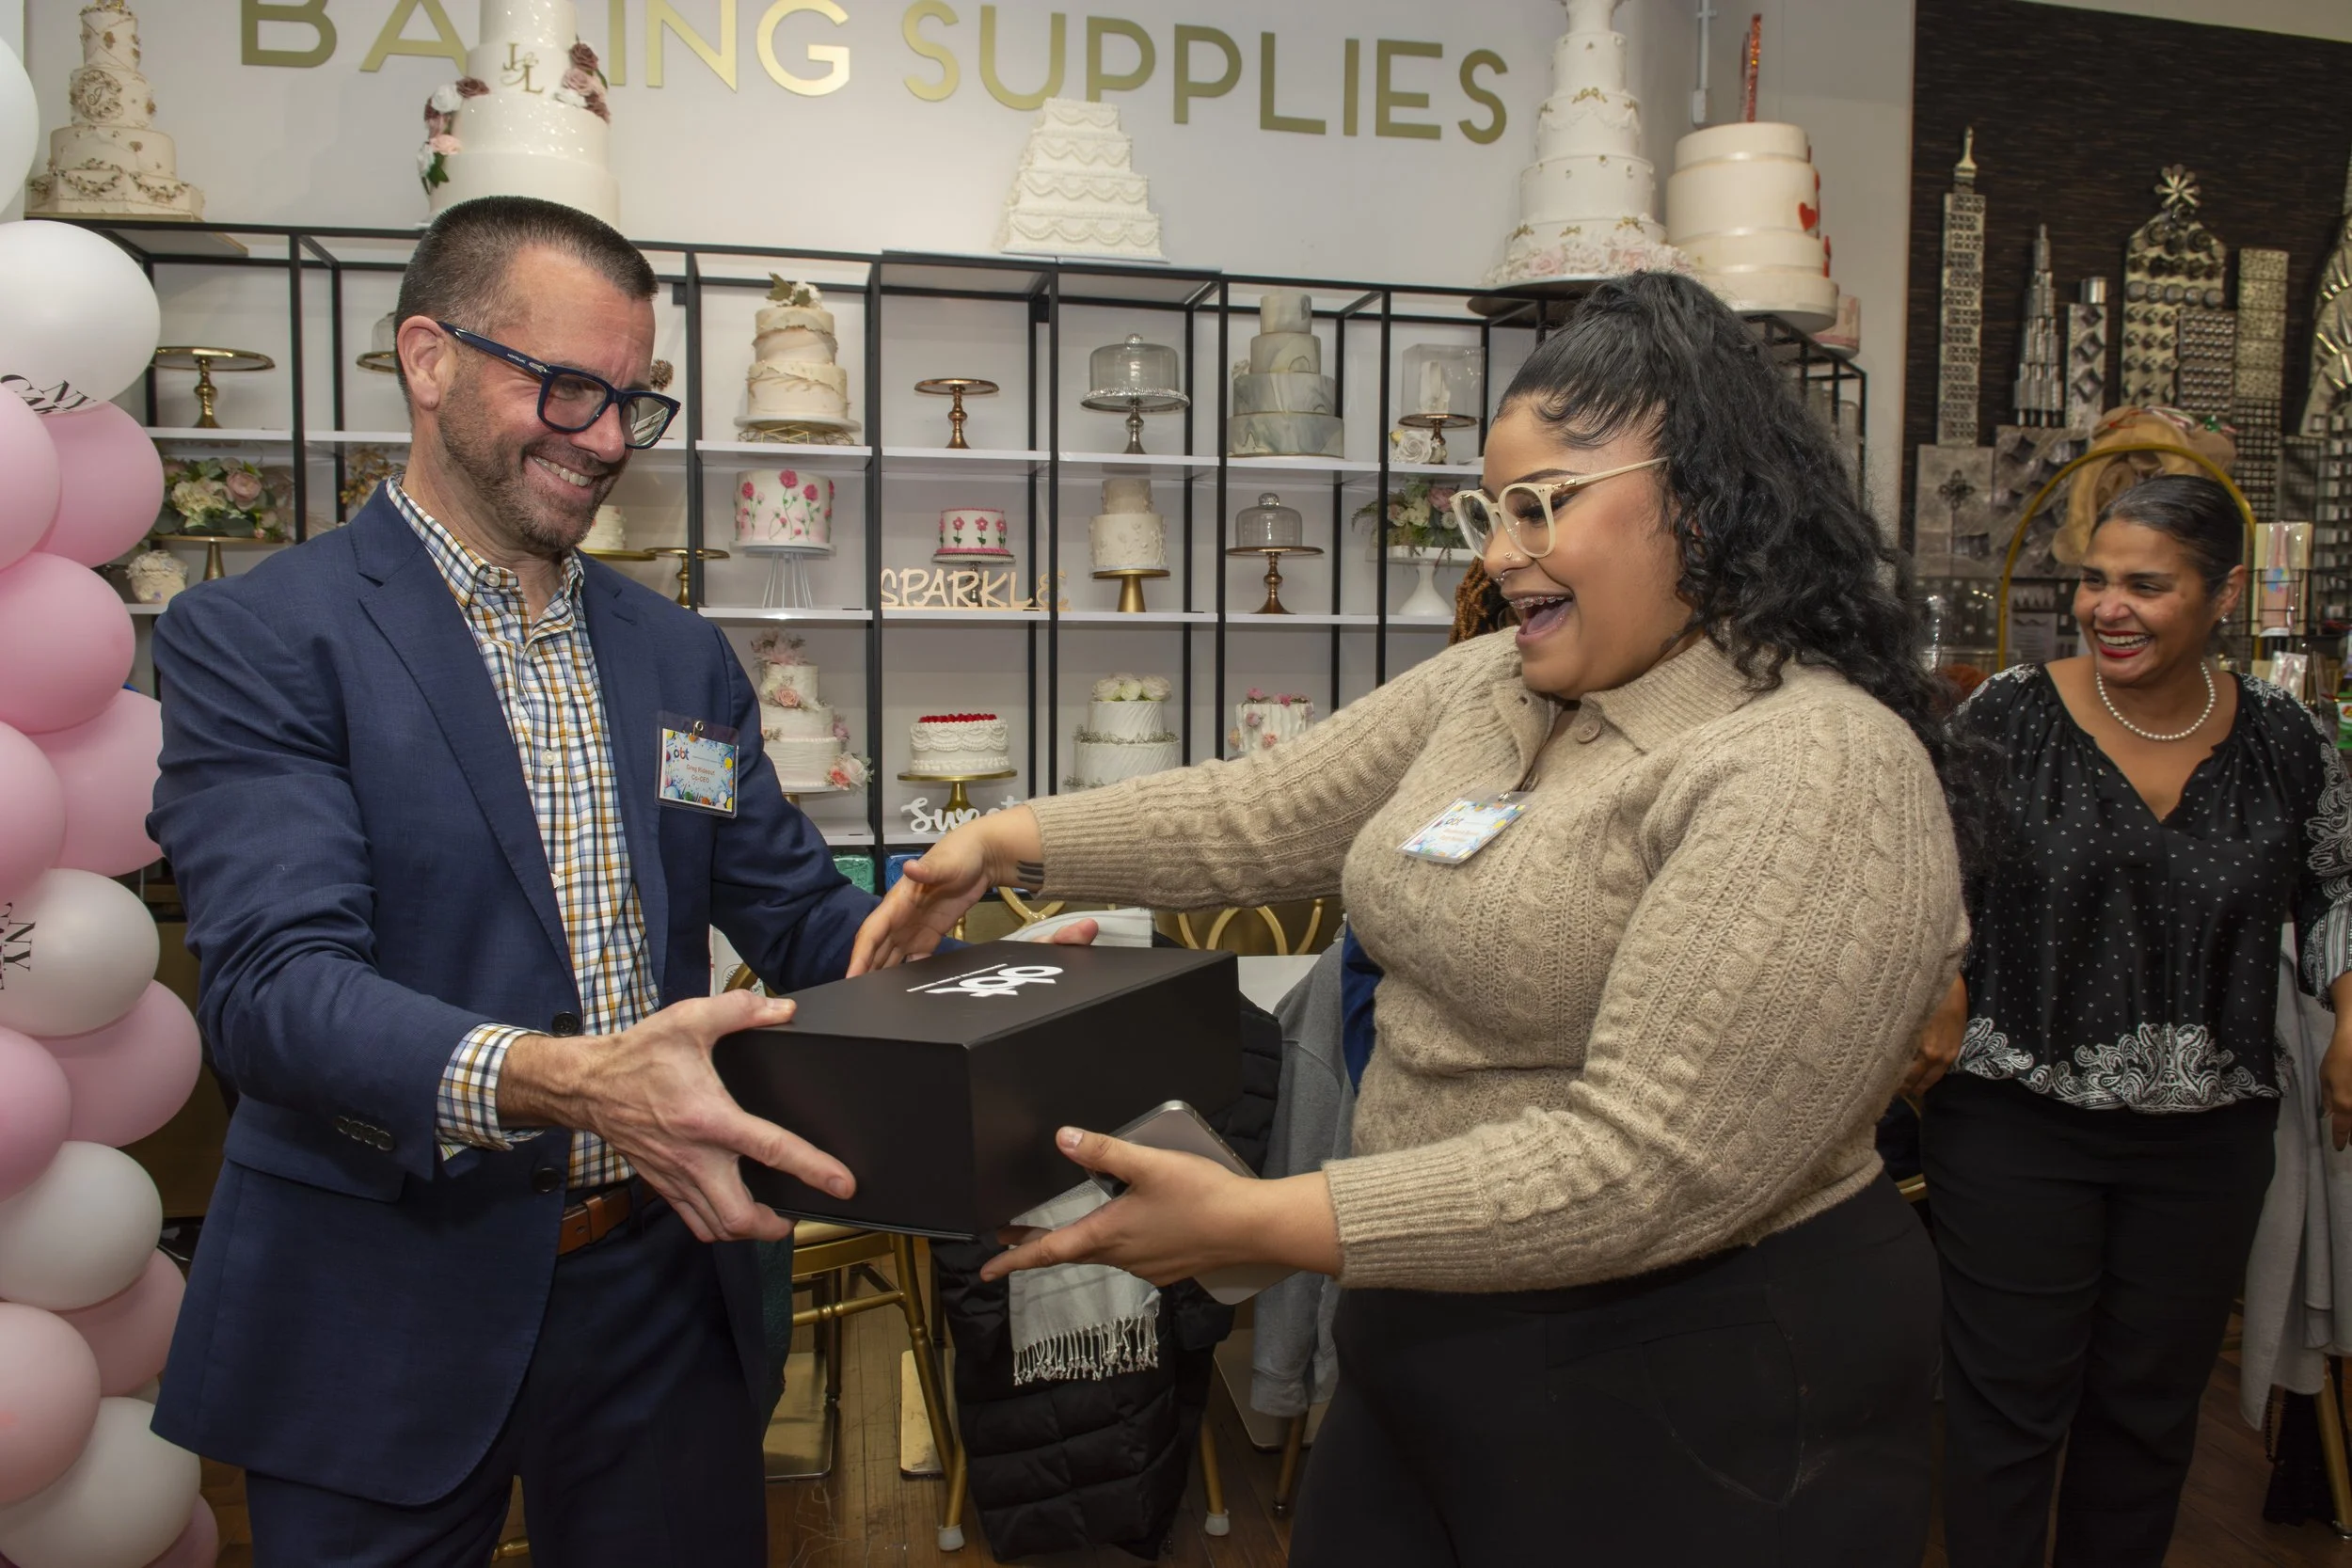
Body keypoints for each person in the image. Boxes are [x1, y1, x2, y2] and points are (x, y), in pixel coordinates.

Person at [851, 270, 1971, 1562]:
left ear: (1709, 498)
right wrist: (1003, 842)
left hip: (1692, 1378)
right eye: (1493, 511)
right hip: (1427, 1328)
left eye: (1545, 504)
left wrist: (1263, 1218)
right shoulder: (1494, 687)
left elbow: (1648, 1165)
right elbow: (1260, 808)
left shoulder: (1818, 763)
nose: (1501, 556)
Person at [144, 196, 1082, 1567]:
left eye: (631, 401)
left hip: (659, 1282)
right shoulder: (263, 638)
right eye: (568, 386)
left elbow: (789, 907)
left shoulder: (677, 659)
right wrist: (573, 1079)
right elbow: (276, 996)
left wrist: (971, 967)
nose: (600, 440)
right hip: (383, 1289)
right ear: (428, 357)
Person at [1923, 473, 2352, 1568]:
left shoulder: (2287, 739)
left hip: (2209, 1140)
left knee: (2151, 1419)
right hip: (2016, 1120)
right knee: (2006, 1412)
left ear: (2223, 595)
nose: (2106, 606)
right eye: (2094, 579)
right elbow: (1925, 878)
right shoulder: (2006, 716)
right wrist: (1941, 974)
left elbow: (2340, 887)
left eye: (2145, 585)